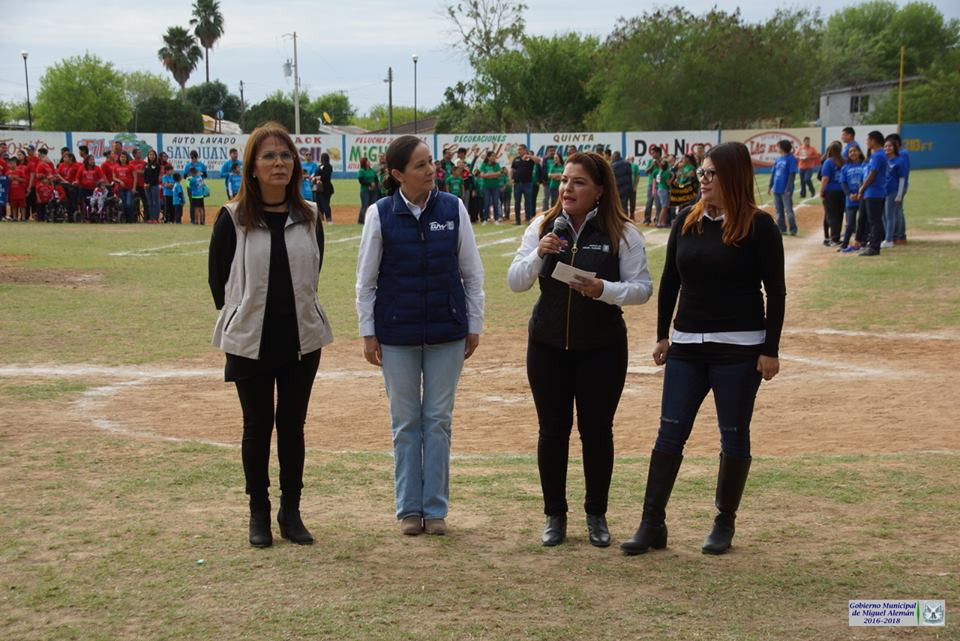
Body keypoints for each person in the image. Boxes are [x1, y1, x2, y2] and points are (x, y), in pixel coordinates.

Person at [621, 142, 784, 557]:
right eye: (702, 174)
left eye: (711, 173)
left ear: (732, 176)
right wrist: (663, 336)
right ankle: (652, 523)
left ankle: (723, 522)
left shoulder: (760, 226)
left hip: (740, 350)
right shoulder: (686, 221)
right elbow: (671, 281)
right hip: (688, 347)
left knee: (733, 435)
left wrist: (770, 348)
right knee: (670, 432)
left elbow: (776, 291)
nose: (703, 179)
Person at [508, 151, 653, 547]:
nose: (567, 189)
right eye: (564, 181)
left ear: (600, 190)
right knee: (552, 432)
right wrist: (539, 253)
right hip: (547, 346)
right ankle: (555, 514)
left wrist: (602, 290)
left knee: (597, 432)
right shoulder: (542, 226)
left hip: (602, 348)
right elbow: (515, 281)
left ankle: (596, 514)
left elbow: (642, 289)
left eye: (578, 182)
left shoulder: (622, 233)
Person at [208, 122, 333, 548]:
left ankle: (291, 511)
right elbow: (218, 281)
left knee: (292, 426)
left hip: (301, 339)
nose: (279, 163)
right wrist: (246, 313)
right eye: (268, 156)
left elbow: (314, 270)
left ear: (295, 165)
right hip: (250, 341)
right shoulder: (233, 217)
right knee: (257, 426)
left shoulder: (311, 214)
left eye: (285, 155)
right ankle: (258, 512)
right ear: (253, 167)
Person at [355, 134, 485, 536]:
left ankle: (436, 509)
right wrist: (368, 333)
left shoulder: (453, 207)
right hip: (396, 335)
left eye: (431, 162)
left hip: (447, 331)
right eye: (420, 165)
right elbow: (366, 281)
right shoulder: (379, 214)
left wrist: (473, 323)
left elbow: (472, 273)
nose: (431, 170)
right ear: (398, 174)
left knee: (438, 421)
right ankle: (409, 508)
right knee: (406, 422)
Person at [856, 131, 888, 257]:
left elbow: (872, 174)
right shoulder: (878, 155)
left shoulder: (878, 156)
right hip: (874, 191)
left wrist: (862, 188)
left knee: (874, 220)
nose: (867, 142)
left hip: (874, 192)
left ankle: (874, 247)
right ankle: (872, 244)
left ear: (874, 140)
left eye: (868, 140)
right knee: (873, 220)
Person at [882, 135, 908, 249]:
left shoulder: (900, 160)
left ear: (895, 147)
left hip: (894, 191)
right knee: (884, 215)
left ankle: (890, 239)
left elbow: (902, 178)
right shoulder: (885, 160)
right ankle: (888, 237)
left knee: (890, 215)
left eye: (890, 146)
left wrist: (899, 194)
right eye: (885, 146)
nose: (887, 148)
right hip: (885, 191)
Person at [837, 144, 866, 253]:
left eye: (855, 151)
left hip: (862, 197)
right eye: (850, 152)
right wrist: (849, 194)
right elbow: (843, 183)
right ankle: (844, 244)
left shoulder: (864, 165)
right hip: (851, 200)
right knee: (850, 224)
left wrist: (860, 193)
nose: (853, 153)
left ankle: (862, 242)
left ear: (859, 152)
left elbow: (866, 179)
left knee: (862, 221)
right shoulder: (845, 167)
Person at [769, 140, 798, 236]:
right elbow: (773, 174)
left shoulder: (791, 159)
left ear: (782, 147)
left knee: (788, 210)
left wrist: (788, 188)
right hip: (776, 188)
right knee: (778, 210)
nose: (776, 148)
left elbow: (791, 174)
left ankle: (793, 229)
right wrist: (770, 186)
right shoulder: (778, 159)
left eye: (777, 146)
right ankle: (782, 228)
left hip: (785, 189)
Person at [819, 141, 845, 246]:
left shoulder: (828, 162)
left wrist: (821, 191)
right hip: (842, 190)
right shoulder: (844, 161)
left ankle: (833, 238)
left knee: (831, 215)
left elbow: (825, 178)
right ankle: (837, 237)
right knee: (839, 215)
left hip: (831, 191)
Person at [511, 144, 539, 225]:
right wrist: (510, 179)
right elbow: (512, 170)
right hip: (517, 184)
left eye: (520, 149)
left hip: (527, 184)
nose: (518, 151)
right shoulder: (516, 159)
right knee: (517, 202)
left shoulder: (530, 159)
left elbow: (538, 161)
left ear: (525, 150)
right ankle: (517, 220)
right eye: (518, 149)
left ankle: (528, 219)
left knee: (528, 202)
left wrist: (529, 156)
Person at [477, 150, 503, 224]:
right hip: (486, 187)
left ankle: (496, 219)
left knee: (495, 203)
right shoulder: (484, 165)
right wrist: (493, 175)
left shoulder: (497, 164)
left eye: (494, 156)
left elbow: (499, 173)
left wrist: (488, 175)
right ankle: (485, 219)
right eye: (492, 156)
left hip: (495, 186)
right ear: (488, 157)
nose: (494, 157)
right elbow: (482, 175)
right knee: (486, 203)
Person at [113, 152, 137, 223]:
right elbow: (114, 177)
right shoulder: (116, 167)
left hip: (129, 188)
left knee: (129, 203)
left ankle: (131, 219)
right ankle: (125, 219)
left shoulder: (131, 166)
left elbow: (135, 178)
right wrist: (120, 181)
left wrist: (134, 188)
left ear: (127, 158)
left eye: (124, 157)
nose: (123, 158)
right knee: (123, 204)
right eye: (121, 157)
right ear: (119, 158)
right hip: (120, 188)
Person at [642, 146, 663, 225]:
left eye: (654, 153)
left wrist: (658, 164)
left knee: (658, 203)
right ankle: (647, 219)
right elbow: (646, 171)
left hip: (660, 184)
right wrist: (652, 165)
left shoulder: (663, 161)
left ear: (658, 153)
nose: (652, 154)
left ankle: (657, 219)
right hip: (651, 183)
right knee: (649, 202)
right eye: (652, 153)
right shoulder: (650, 161)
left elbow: (664, 169)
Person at [313, 152, 334, 223]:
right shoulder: (319, 166)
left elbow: (326, 176)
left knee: (325, 204)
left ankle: (329, 220)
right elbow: (315, 175)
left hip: (325, 189)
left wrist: (319, 177)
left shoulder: (328, 166)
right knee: (319, 205)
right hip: (318, 189)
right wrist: (315, 178)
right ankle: (320, 221)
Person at [611, 151, 634, 217]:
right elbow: (630, 174)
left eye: (613, 156)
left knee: (620, 204)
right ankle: (626, 216)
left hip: (620, 187)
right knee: (625, 203)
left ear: (615, 157)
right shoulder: (627, 163)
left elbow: (613, 177)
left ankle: (622, 218)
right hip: (628, 186)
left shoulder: (614, 166)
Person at [357, 157, 378, 224]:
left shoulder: (372, 170)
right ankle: (361, 220)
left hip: (373, 190)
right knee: (365, 205)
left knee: (372, 205)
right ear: (364, 163)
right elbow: (361, 180)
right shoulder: (362, 171)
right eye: (367, 161)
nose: (369, 162)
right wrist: (369, 184)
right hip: (365, 190)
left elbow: (376, 179)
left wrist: (374, 184)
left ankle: (371, 219)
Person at [143, 150, 162, 222]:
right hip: (146, 186)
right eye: (150, 155)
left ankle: (155, 218)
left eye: (153, 155)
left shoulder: (157, 165)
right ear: (148, 156)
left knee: (155, 202)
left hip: (154, 186)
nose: (151, 156)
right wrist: (145, 183)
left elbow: (155, 176)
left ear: (155, 156)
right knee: (149, 202)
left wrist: (149, 184)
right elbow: (145, 175)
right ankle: (151, 218)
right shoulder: (146, 165)